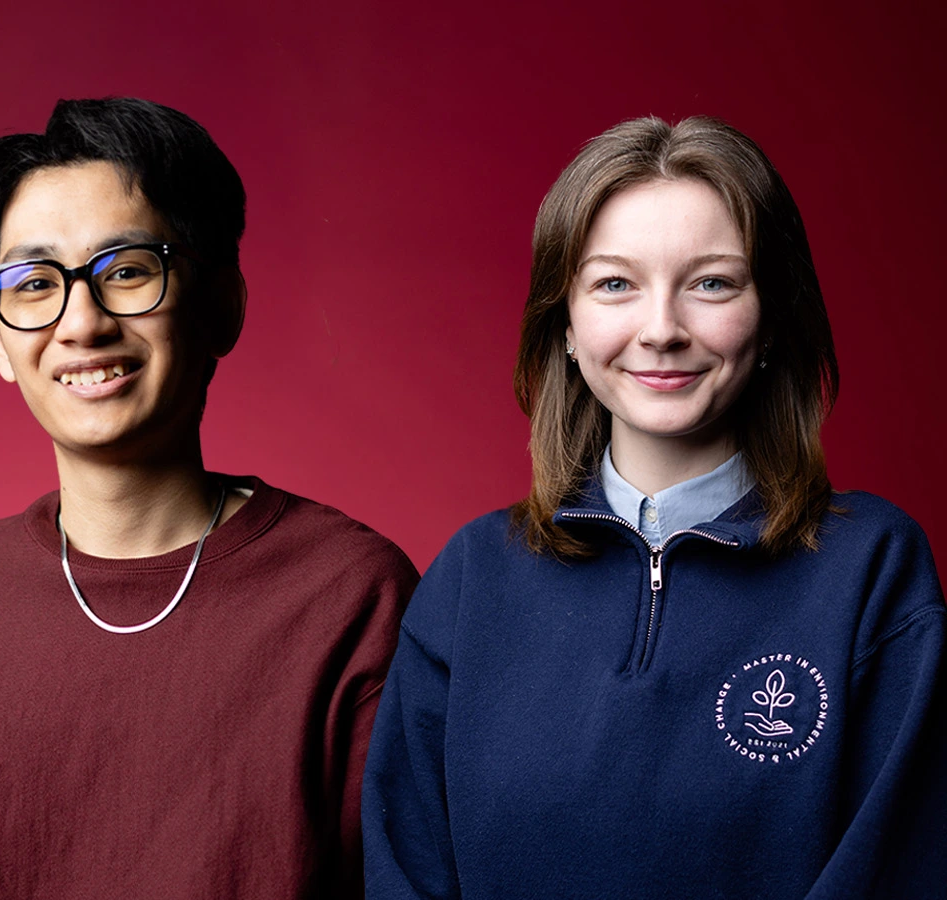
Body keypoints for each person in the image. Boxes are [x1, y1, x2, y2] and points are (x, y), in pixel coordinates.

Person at [0, 97, 418, 899]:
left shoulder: (350, 596)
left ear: (222, 303)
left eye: (127, 270)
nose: (81, 322)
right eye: (33, 284)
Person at [362, 116, 946, 898]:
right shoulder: (471, 580)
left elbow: (900, 869)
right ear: (565, 326)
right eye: (615, 284)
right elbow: (406, 869)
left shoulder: (873, 570)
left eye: (712, 282)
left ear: (770, 317)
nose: (663, 329)